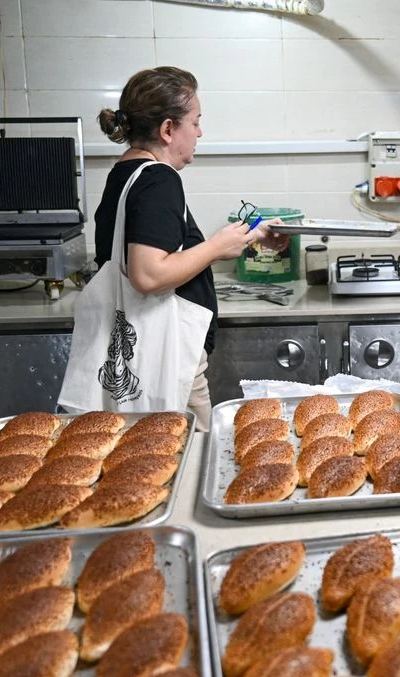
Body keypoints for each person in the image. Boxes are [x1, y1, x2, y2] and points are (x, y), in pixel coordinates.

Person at [94, 66, 285, 431]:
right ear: (168, 130)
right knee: (182, 462)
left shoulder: (125, 173)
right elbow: (149, 274)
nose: (200, 132)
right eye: (195, 122)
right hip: (166, 360)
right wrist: (214, 247)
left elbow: (166, 250)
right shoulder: (159, 180)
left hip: (140, 356)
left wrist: (251, 235)